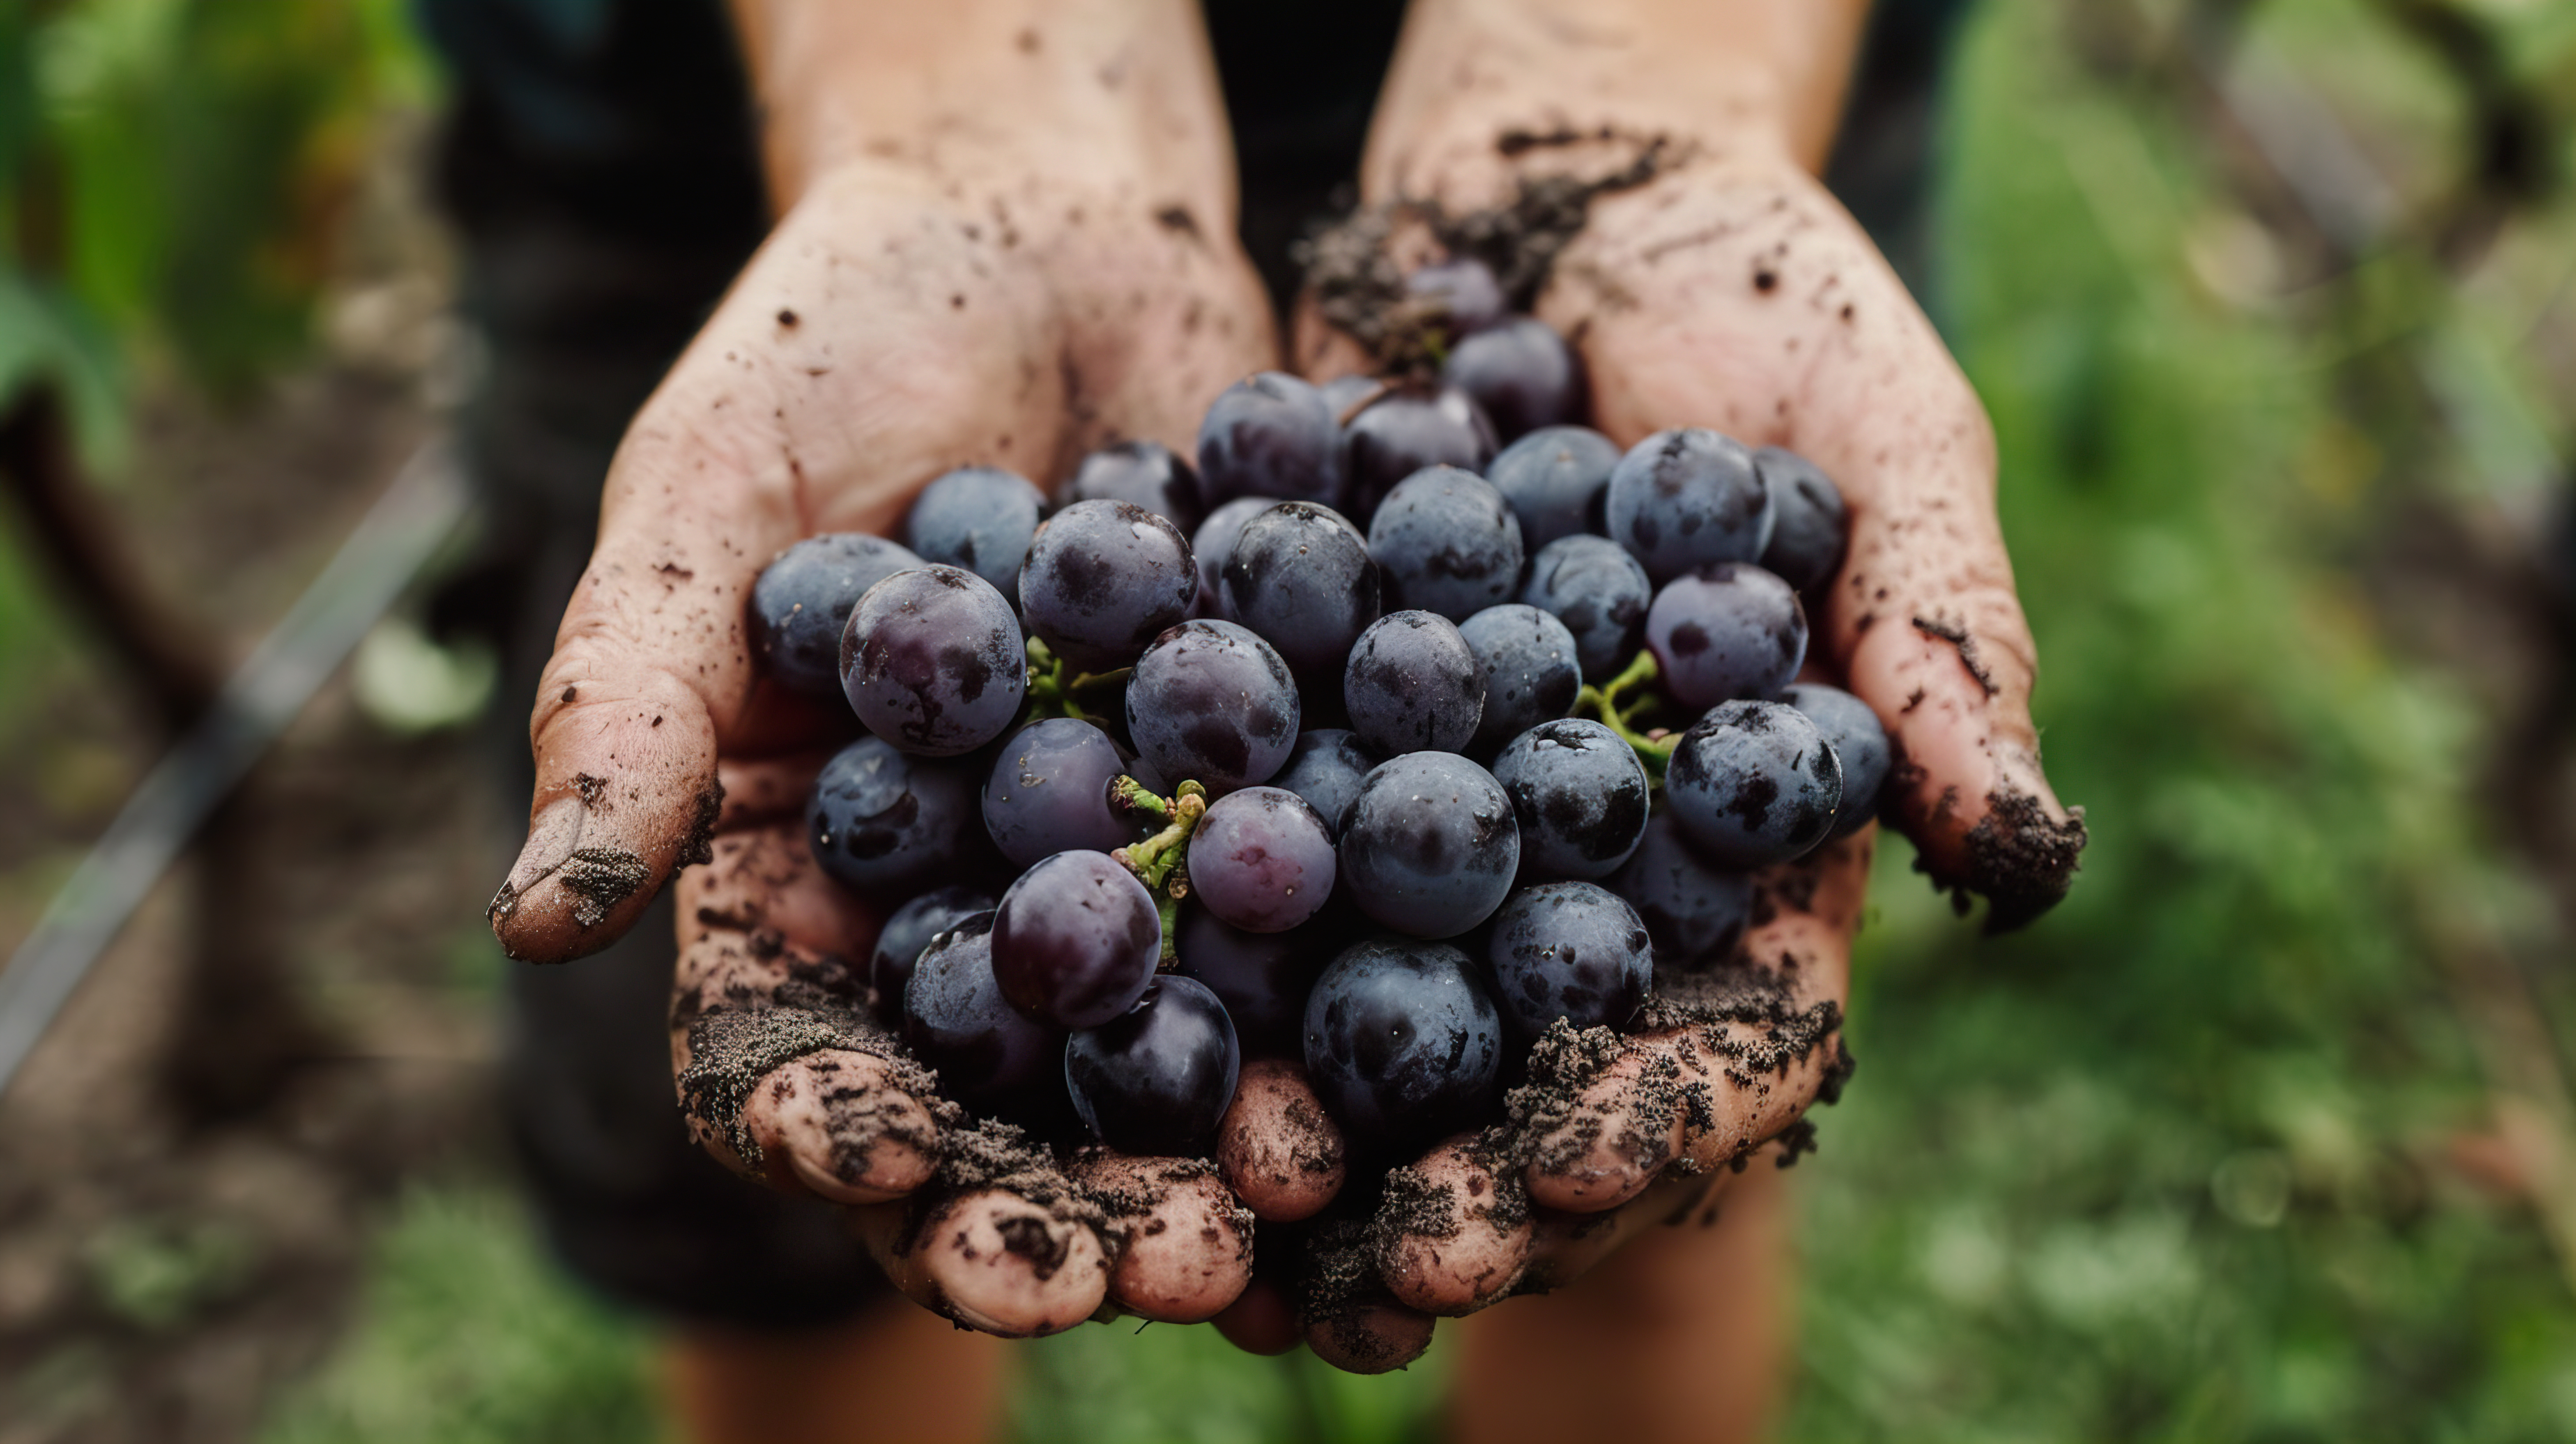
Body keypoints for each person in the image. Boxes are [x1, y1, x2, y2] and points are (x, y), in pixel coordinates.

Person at [442, 1, 2084, 1439]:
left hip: (1632, 148)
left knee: (1647, 1197)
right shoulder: (1110, 718)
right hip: (748, 135)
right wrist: (961, 123)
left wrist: (1631, 93)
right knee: (780, 1246)